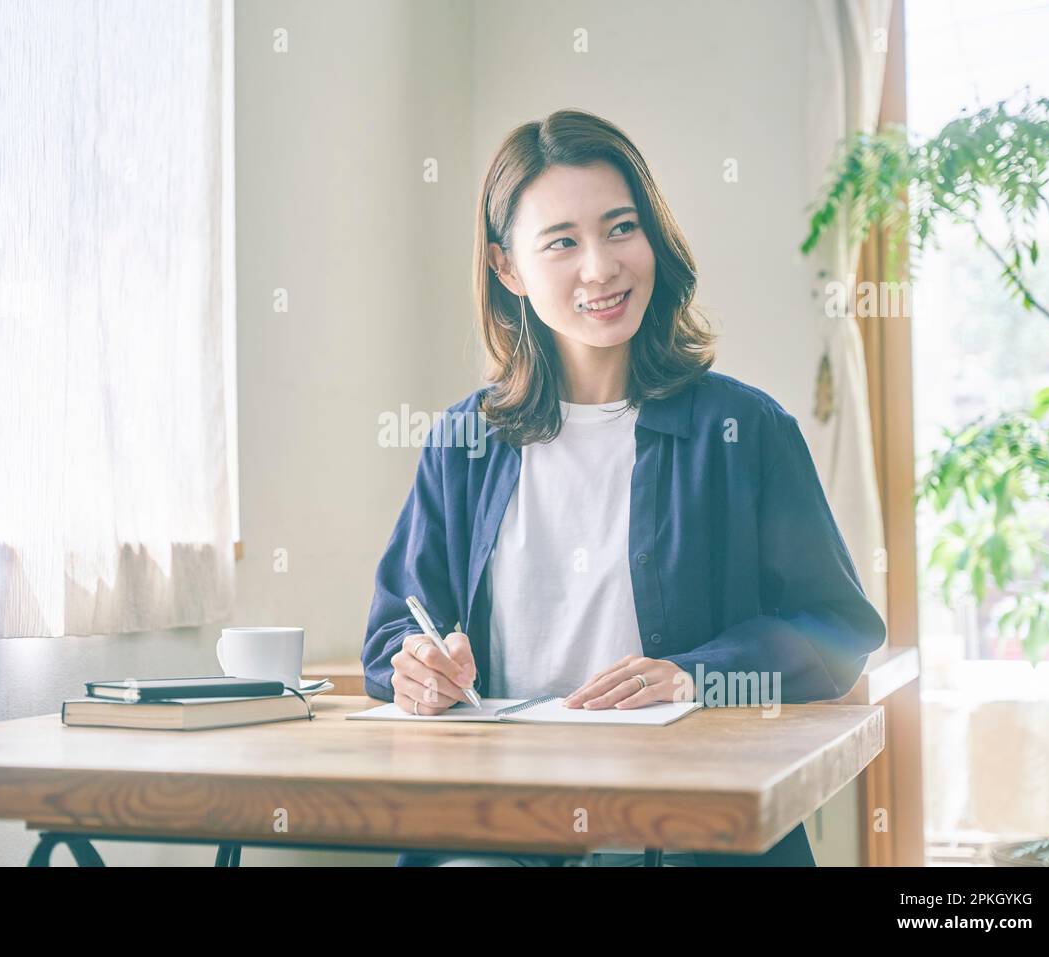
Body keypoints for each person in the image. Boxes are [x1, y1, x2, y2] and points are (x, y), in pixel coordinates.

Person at [360, 108, 886, 867]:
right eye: (563, 242)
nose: (600, 268)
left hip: (686, 829)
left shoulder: (745, 431)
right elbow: (391, 634)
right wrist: (413, 666)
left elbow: (839, 630)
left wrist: (692, 674)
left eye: (620, 228)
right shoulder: (462, 442)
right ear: (509, 269)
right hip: (499, 825)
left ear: (653, 238)